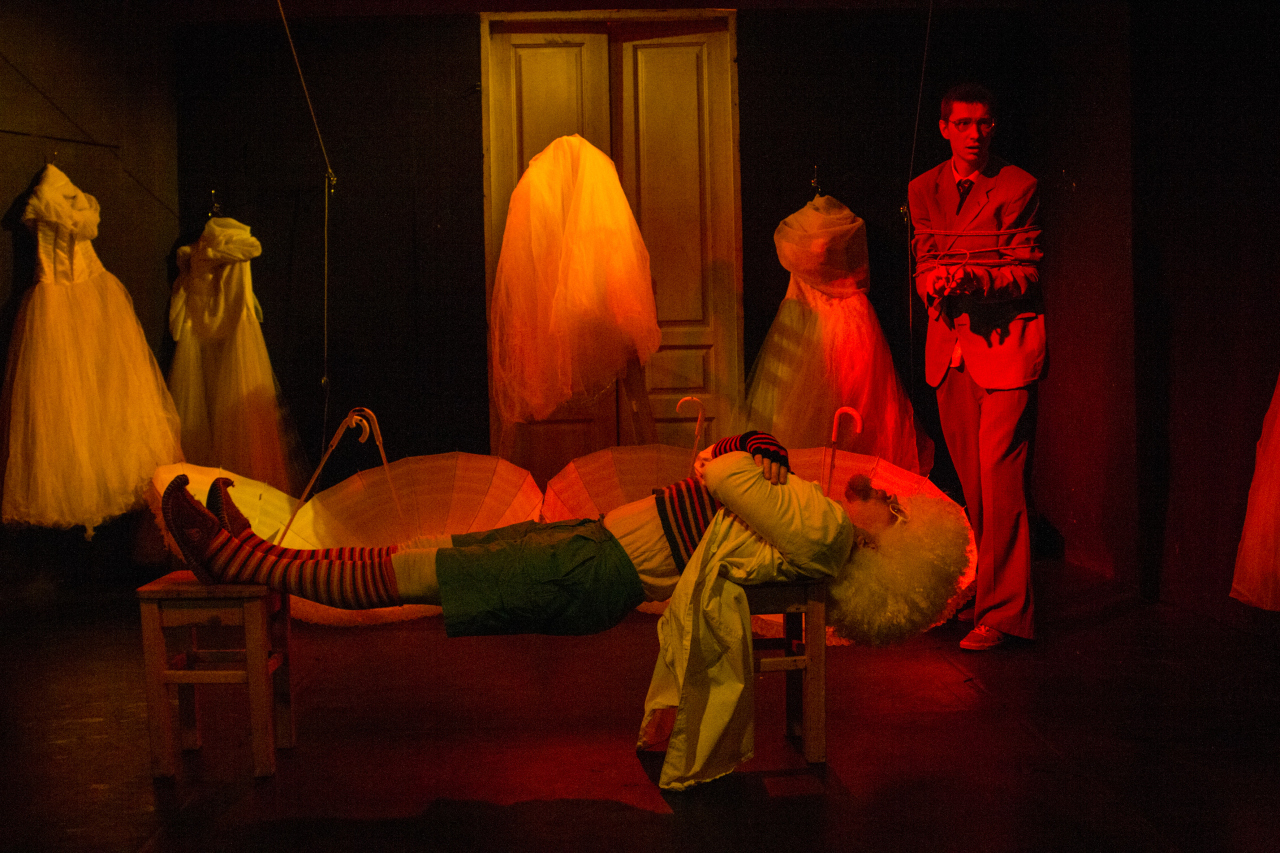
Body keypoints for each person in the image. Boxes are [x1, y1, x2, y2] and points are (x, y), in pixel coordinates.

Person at [162, 431, 968, 788]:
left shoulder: (825, 530)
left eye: (895, 511)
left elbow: (721, 474)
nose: (881, 494)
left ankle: (247, 562)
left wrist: (744, 450)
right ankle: (259, 554)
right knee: (430, 556)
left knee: (422, 571)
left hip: (592, 569)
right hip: (595, 549)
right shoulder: (820, 521)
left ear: (885, 550)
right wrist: (759, 450)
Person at [908, 83, 1044, 651]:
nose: (974, 134)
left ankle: (1006, 613)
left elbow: (1026, 270)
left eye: (983, 123)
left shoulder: (1017, 185)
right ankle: (990, 593)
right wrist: (932, 283)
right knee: (975, 486)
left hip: (1005, 348)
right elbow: (923, 256)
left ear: (993, 127)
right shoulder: (924, 187)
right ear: (944, 128)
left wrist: (975, 279)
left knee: (1001, 482)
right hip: (951, 351)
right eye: (962, 124)